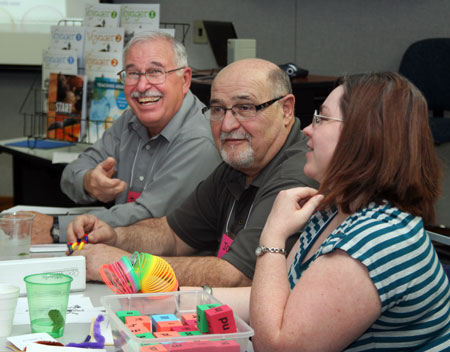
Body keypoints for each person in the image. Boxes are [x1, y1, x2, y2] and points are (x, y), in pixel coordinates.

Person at [66, 58, 318, 286]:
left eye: (245, 107)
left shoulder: (296, 176)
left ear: (286, 110)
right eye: (218, 110)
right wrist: (116, 237)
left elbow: (237, 276)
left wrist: (127, 267)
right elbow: (172, 234)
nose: (228, 124)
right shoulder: (239, 164)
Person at [245, 72, 450, 351]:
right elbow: (279, 303)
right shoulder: (338, 209)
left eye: (322, 118)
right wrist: (188, 296)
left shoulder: (376, 239)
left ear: (363, 135)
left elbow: (275, 347)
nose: (307, 128)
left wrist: (272, 238)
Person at [31, 31, 221, 244]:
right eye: (133, 73)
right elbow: (71, 174)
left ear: (185, 80)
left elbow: (148, 218)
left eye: (155, 72)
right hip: (122, 255)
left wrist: (56, 229)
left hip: (170, 267)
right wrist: (89, 181)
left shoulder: (200, 139)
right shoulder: (131, 119)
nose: (141, 86)